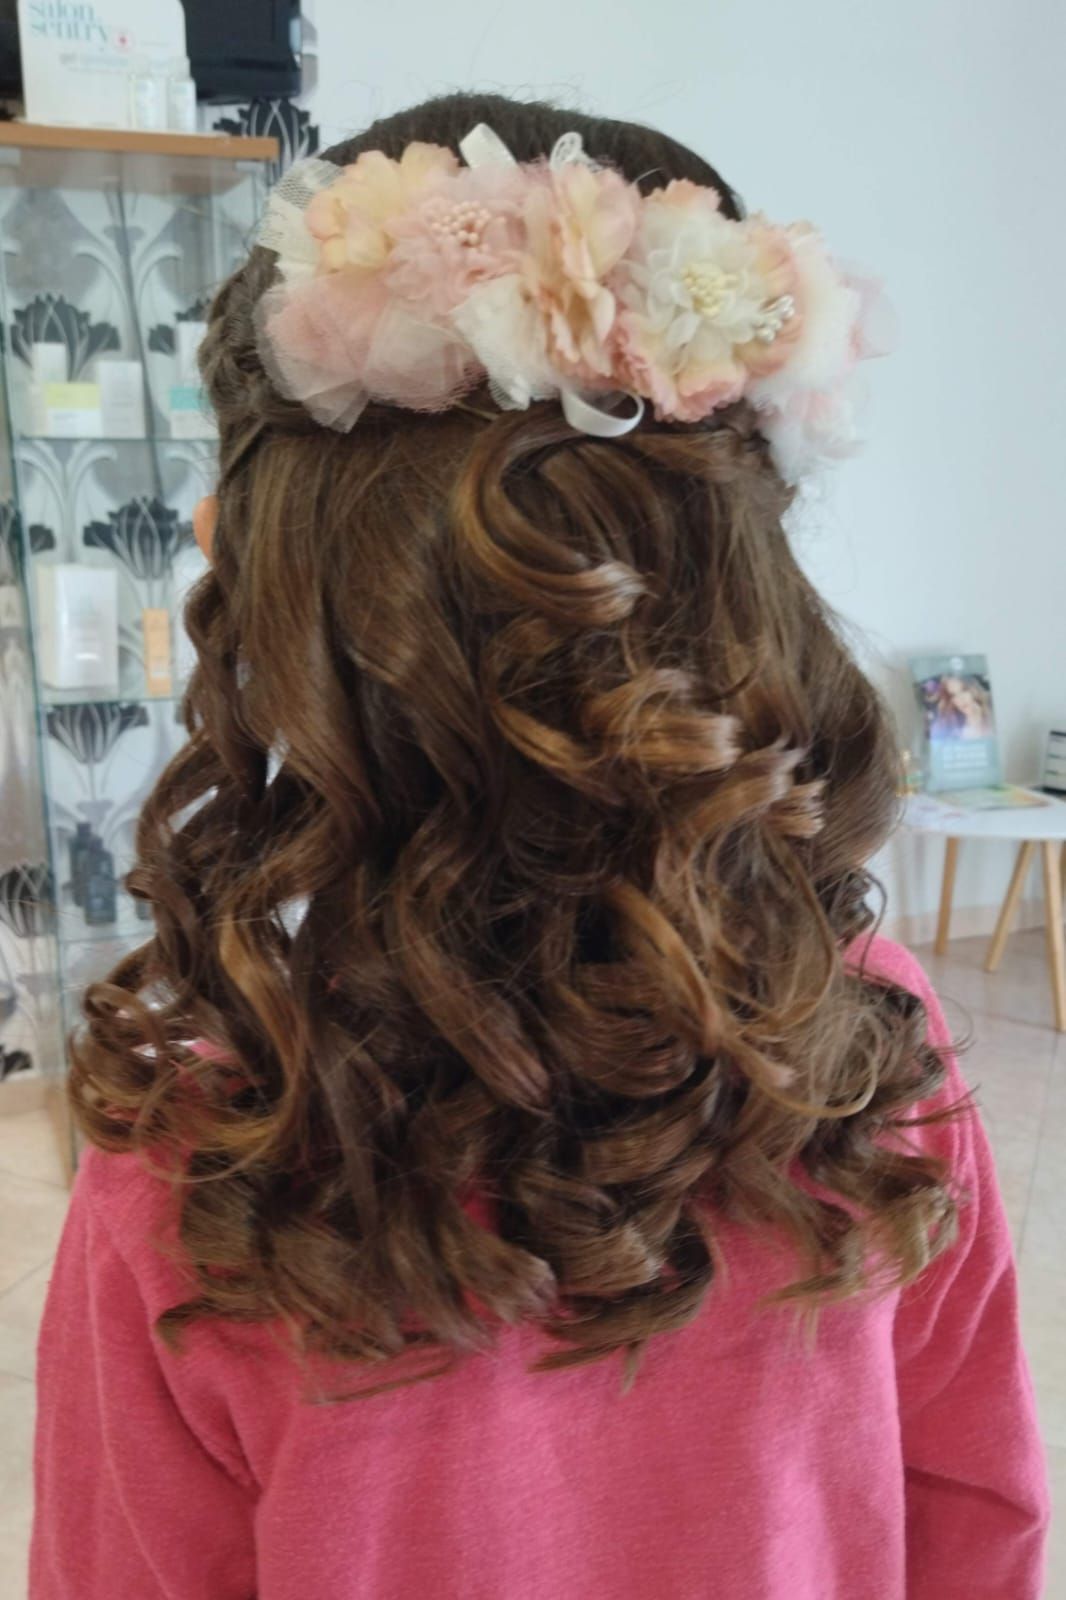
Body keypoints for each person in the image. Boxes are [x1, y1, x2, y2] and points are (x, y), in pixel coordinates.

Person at [31, 91, 1049, 1599]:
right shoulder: (865, 1053)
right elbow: (979, 1522)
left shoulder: (202, 1164)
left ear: (264, 595)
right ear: (746, 590)